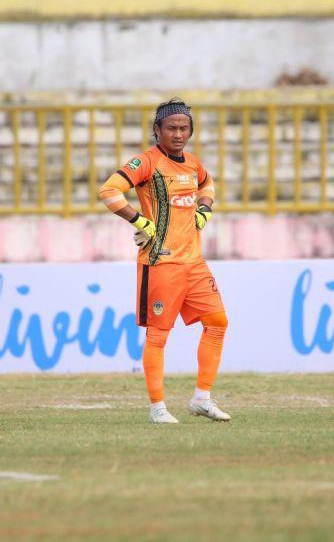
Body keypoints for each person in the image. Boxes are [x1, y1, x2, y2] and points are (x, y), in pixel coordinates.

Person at [98, 98, 231, 424]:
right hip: (161, 262)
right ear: (157, 130)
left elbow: (208, 184)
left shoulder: (193, 164)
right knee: (159, 335)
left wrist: (204, 210)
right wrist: (139, 220)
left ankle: (202, 398)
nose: (178, 133)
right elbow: (109, 191)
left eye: (184, 128)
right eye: (171, 128)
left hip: (194, 263)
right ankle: (157, 407)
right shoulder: (145, 163)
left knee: (217, 322)